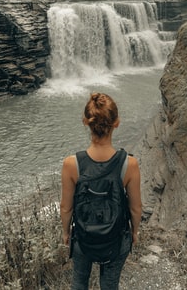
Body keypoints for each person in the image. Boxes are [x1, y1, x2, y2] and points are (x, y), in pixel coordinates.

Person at [60, 92, 142, 290]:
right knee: (110, 284)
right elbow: (136, 208)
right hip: (116, 237)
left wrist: (66, 232)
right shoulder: (129, 164)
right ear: (117, 123)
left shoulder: (72, 164)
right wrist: (134, 231)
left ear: (85, 122)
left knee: (79, 282)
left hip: (83, 236)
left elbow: (65, 207)